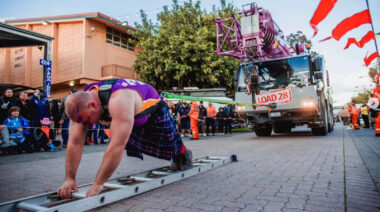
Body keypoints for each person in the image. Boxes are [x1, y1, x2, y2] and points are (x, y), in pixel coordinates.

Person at [57, 78, 192, 199]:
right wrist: (69, 178)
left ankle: (184, 154)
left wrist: (98, 184)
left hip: (153, 108)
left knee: (170, 141)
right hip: (129, 118)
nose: (88, 125)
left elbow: (116, 146)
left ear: (93, 105)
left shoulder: (119, 100)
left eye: (87, 121)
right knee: (127, 136)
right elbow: (74, 142)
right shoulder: (79, 105)